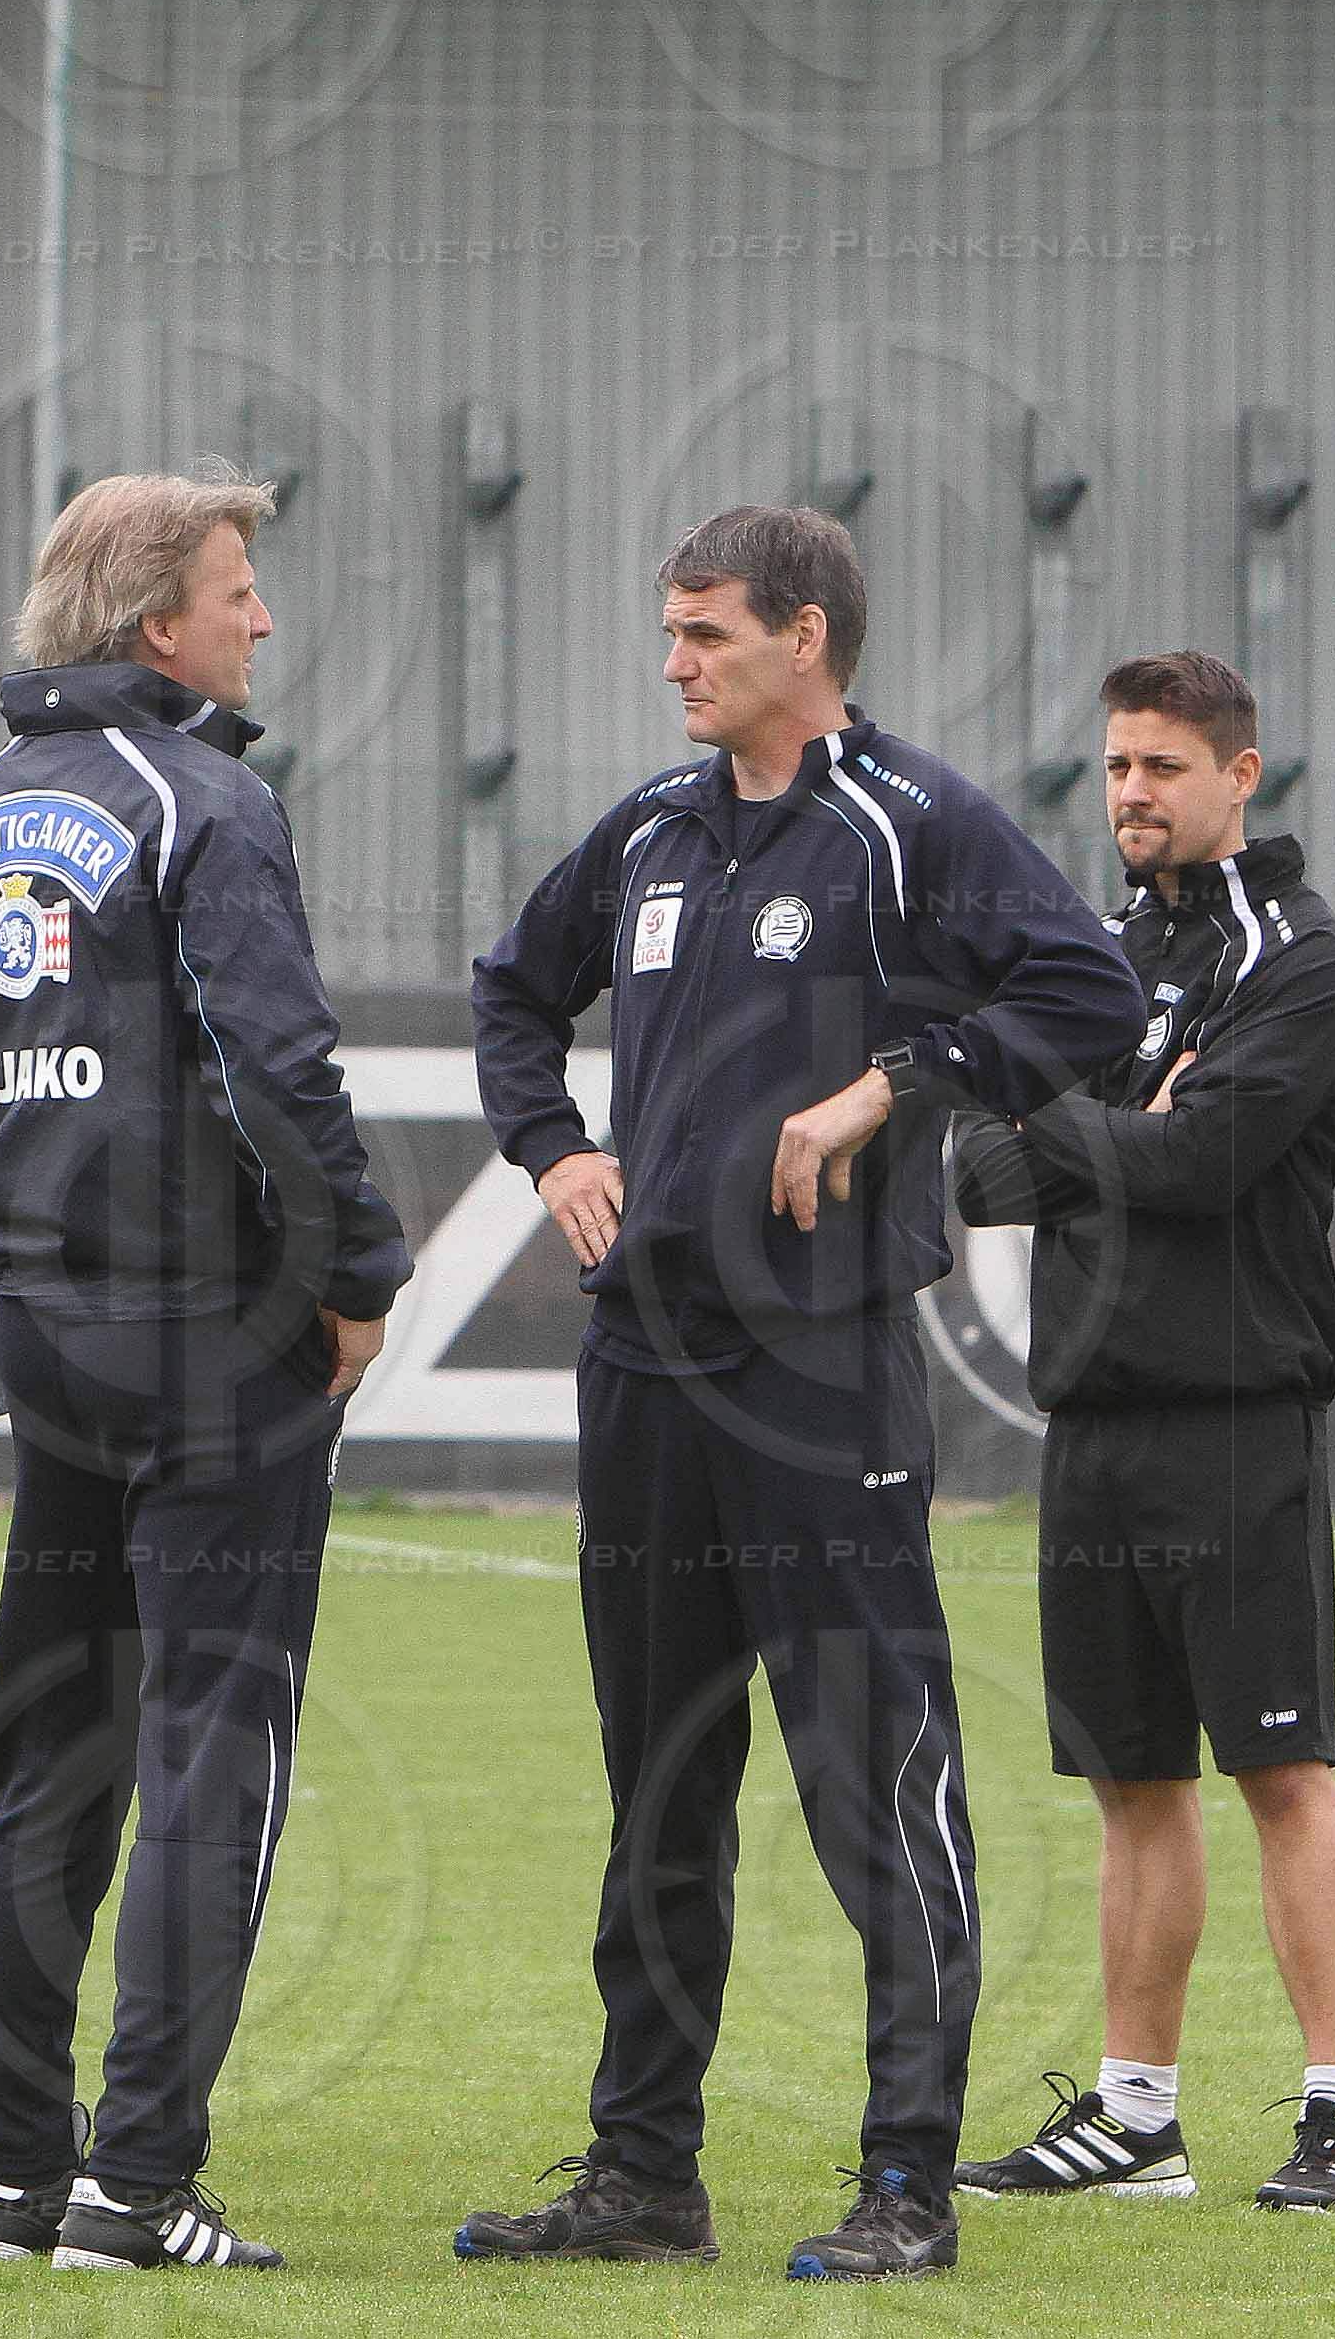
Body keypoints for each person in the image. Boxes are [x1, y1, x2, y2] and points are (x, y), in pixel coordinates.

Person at [460, 504, 1141, 2283]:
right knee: (655, 1772)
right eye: (668, 629)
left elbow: (1091, 989)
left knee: (872, 1772)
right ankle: (639, 2171)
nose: (670, 660)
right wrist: (549, 1148)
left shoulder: (906, 823)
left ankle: (903, 2175)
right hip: (643, 1365)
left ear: (805, 638)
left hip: (816, 1370)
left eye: (702, 633)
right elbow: (513, 992)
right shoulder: (647, 829)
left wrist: (888, 1085)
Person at [0, 470, 407, 2273]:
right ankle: (134, 2182)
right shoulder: (206, 800)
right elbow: (279, 1060)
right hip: (212, 1336)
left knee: (48, 1753)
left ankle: (7, 2175)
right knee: (210, 1748)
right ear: (150, 618)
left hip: (49, 1338)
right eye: (235, 587)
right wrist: (356, 1269)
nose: (257, 618)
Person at [947, 651, 1335, 2216]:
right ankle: (1135, 2117)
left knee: (1280, 1765)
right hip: (1093, 1414)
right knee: (1130, 1779)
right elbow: (977, 1168)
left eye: (1160, 766)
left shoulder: (1310, 963)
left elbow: (1201, 1166)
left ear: (1237, 774)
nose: (1129, 791)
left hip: (1233, 1414)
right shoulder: (1103, 948)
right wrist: (1118, 1129)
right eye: (1116, 765)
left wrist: (1099, 1134)